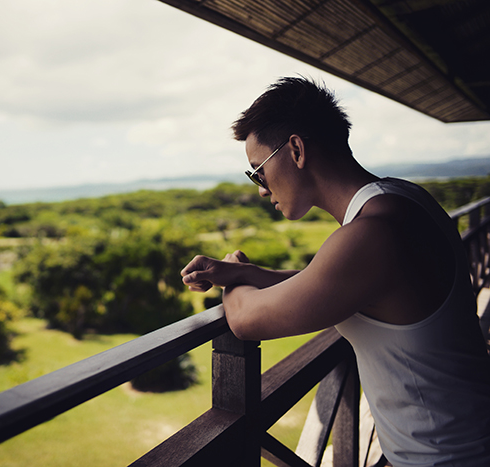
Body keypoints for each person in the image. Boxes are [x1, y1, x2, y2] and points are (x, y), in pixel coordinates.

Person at [180, 77, 490, 466]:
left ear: (295, 149)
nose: (260, 188)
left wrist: (236, 273)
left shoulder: (370, 236)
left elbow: (244, 320)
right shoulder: (403, 200)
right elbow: (326, 283)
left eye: (258, 170)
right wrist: (250, 274)